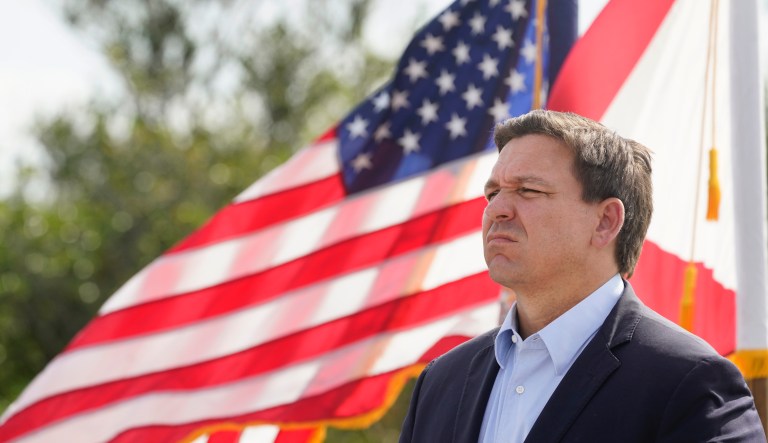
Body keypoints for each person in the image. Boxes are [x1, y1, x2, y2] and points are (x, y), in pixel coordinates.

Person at [399, 110, 766, 442]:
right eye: (493, 193)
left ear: (605, 221)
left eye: (528, 190)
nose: (496, 210)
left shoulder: (689, 382)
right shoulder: (440, 382)